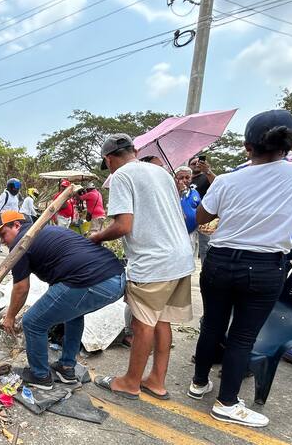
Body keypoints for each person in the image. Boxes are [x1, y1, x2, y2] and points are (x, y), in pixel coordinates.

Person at [188, 110, 292, 428]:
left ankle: (199, 384)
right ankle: (227, 403)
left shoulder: (229, 179)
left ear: (247, 147)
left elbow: (202, 218)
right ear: (289, 145)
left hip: (218, 262)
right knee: (243, 335)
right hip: (262, 267)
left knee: (212, 326)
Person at [90, 133, 194, 401]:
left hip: (153, 262)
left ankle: (130, 382)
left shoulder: (122, 176)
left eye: (108, 164)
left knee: (142, 324)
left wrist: (97, 237)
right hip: (180, 258)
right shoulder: (161, 173)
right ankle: (157, 380)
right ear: (134, 150)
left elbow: (124, 226)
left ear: (109, 159)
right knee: (162, 320)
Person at [0, 210, 125, 389]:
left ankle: (40, 376)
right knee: (72, 315)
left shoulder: (21, 244)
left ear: (16, 225)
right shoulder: (49, 231)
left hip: (90, 280)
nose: (3, 241)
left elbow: (21, 288)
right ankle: (67, 368)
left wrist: (10, 317)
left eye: (3, 234)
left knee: (32, 322)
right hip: (116, 279)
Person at [190, 155, 217, 263]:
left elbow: (218, 184)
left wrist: (208, 171)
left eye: (199, 162)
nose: (197, 165)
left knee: (205, 247)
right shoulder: (185, 178)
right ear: (189, 166)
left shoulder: (206, 177)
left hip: (204, 217)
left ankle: (205, 270)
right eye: (193, 163)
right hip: (188, 217)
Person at [175, 166, 201, 254]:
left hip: (192, 233)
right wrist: (180, 193)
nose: (184, 180)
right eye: (181, 178)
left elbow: (199, 208)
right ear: (175, 179)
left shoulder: (195, 192)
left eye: (187, 177)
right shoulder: (171, 192)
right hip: (176, 233)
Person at [0, 178, 22, 252]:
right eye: (15, 187)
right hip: (4, 217)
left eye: (18, 187)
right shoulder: (5, 195)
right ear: (10, 187)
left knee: (13, 232)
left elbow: (16, 207)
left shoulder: (16, 197)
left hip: (13, 217)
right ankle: (1, 245)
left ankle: (2, 245)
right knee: (6, 232)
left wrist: (18, 216)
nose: (16, 189)